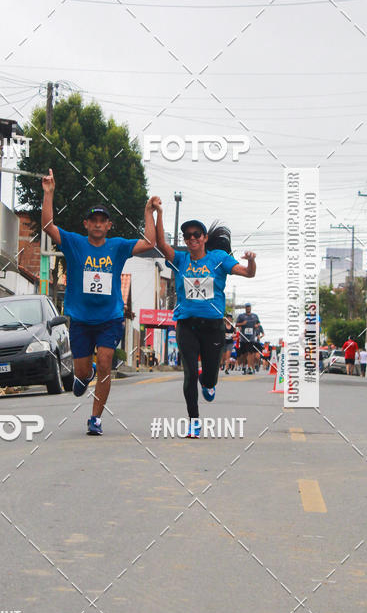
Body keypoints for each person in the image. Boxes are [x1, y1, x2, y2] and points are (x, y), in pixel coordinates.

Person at [42, 168, 159, 435]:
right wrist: (48, 193)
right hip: (81, 320)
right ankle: (86, 374)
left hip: (109, 318)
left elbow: (150, 241)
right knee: (82, 372)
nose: (97, 224)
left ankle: (95, 418)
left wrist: (148, 211)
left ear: (108, 226)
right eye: (92, 220)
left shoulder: (117, 246)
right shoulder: (73, 243)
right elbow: (48, 226)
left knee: (106, 362)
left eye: (102, 221)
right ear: (86, 224)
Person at [154, 204, 256, 437]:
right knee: (189, 373)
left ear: (204, 238)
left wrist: (251, 261)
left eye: (196, 235)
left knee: (209, 376)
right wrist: (158, 214)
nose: (191, 239)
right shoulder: (179, 260)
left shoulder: (219, 259)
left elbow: (248, 273)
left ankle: (208, 382)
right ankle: (194, 421)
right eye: (187, 236)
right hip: (186, 324)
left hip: (213, 328)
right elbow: (161, 245)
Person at [236, 303, 263, 374]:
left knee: (250, 353)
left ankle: (249, 367)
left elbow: (259, 323)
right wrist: (242, 324)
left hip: (251, 338)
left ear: (250, 308)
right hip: (243, 338)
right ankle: (244, 367)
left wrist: (257, 325)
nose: (248, 308)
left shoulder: (255, 316)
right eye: (247, 307)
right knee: (244, 354)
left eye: (249, 307)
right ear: (245, 308)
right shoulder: (241, 316)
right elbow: (236, 324)